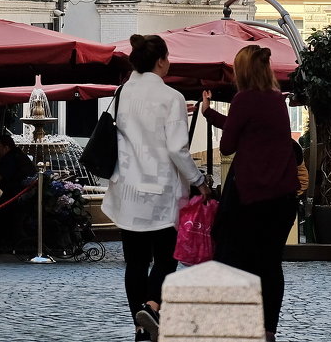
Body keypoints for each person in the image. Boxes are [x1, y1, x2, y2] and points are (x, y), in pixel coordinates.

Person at [102, 34, 210, 342]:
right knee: (166, 259)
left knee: (135, 262)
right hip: (161, 191)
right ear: (161, 60)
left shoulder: (124, 92)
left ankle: (140, 325)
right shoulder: (171, 97)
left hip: (127, 189)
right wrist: (200, 181)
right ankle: (151, 306)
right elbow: (178, 150)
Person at [200, 45, 299, 342]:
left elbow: (229, 145)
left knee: (236, 259)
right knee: (270, 264)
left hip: (251, 196)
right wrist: (213, 116)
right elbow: (248, 130)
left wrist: (207, 113)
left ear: (242, 71)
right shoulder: (277, 100)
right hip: (282, 197)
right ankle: (269, 329)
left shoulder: (243, 99)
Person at [0, 133, 35, 200]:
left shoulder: (9, 158)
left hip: (18, 196)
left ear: (6, 148)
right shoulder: (17, 154)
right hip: (25, 193)